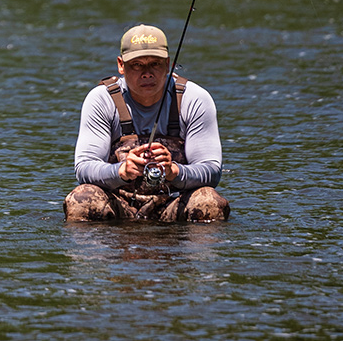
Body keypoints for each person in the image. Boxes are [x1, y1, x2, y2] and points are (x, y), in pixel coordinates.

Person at [65, 23, 230, 222]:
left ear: (168, 64)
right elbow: (84, 169)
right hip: (119, 207)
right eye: (137, 65)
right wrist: (120, 171)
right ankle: (101, 252)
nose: (147, 73)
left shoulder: (194, 99)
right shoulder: (101, 100)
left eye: (155, 64)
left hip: (174, 206)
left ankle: (190, 252)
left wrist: (174, 171)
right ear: (121, 65)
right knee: (81, 198)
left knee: (209, 201)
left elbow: (211, 171)